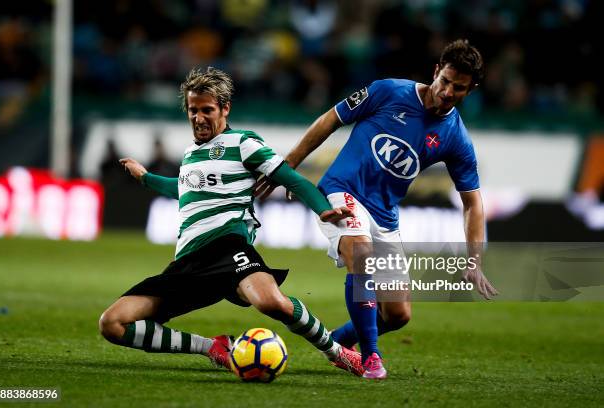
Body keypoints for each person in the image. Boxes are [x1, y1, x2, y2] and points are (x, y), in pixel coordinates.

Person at [255, 39, 499, 379]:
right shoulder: (388, 91)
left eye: (458, 88)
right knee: (362, 254)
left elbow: (473, 203)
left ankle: (337, 343)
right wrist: (291, 165)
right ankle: (370, 357)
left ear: (470, 90)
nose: (447, 91)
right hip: (342, 190)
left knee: (398, 315)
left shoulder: (456, 138)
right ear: (435, 72)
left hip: (384, 213)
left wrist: (474, 260)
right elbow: (330, 119)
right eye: (444, 81)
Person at [98, 67, 364, 376]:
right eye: (193, 110)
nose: (198, 117)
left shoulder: (244, 143)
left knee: (270, 303)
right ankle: (211, 347)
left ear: (225, 109)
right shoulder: (190, 154)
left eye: (207, 110)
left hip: (228, 248)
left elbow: (291, 178)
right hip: (187, 261)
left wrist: (321, 209)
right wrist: (146, 178)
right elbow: (183, 190)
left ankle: (336, 351)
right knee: (112, 324)